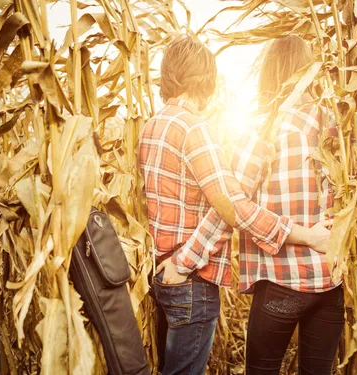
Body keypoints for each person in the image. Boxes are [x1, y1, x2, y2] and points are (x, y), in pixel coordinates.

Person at [138, 35, 332, 375]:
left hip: (164, 273)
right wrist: (310, 236)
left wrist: (173, 264)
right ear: (206, 81)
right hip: (193, 278)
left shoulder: (149, 127)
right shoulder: (195, 130)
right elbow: (234, 207)